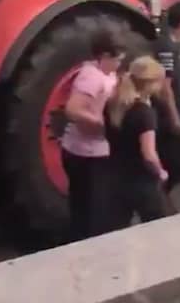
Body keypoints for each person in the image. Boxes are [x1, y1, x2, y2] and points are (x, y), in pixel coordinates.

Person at [59, 27, 124, 240]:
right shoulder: (90, 77)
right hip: (86, 154)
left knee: (99, 207)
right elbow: (72, 109)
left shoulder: (108, 73)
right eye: (116, 60)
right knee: (90, 210)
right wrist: (102, 123)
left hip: (99, 150)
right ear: (104, 56)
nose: (119, 65)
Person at [105, 56, 171, 228]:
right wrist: (161, 172)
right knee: (159, 227)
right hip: (141, 181)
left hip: (115, 176)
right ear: (150, 84)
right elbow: (148, 154)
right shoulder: (144, 113)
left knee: (117, 229)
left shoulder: (114, 105)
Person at [151, 1, 180, 203]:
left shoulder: (179, 43)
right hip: (172, 119)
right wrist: (174, 118)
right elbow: (165, 86)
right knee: (174, 165)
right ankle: (159, 201)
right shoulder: (167, 48)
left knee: (179, 165)